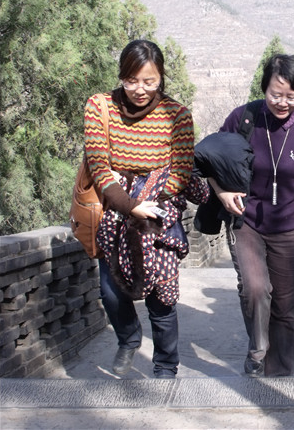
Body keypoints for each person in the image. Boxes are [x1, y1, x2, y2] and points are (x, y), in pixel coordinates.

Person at [209, 54, 294, 377]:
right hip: (246, 220)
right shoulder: (244, 119)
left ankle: (279, 375)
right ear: (264, 88)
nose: (282, 103)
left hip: (290, 227)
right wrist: (222, 193)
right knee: (255, 288)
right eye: (275, 94)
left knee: (285, 305)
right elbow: (210, 159)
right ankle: (257, 348)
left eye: (291, 96)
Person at [84, 40, 201, 378]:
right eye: (131, 80)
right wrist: (131, 205)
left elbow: (181, 170)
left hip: (159, 210)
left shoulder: (177, 115)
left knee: (162, 296)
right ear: (121, 75)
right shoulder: (100, 107)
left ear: (161, 77)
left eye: (149, 81)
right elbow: (98, 166)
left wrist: (151, 198)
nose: (140, 89)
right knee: (110, 290)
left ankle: (165, 366)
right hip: (115, 210)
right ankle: (129, 337)